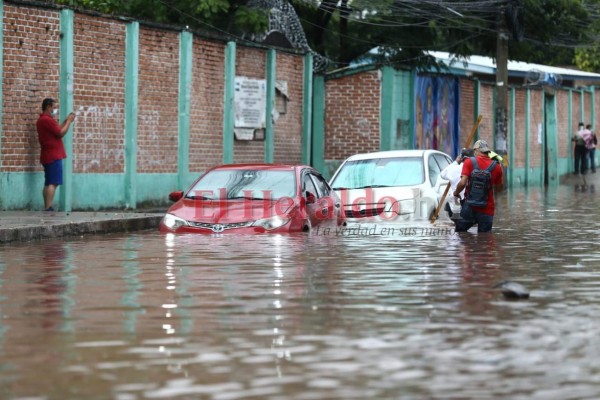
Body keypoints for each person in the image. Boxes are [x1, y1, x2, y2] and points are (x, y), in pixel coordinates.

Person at [452, 139, 503, 233]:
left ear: (476, 150)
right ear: (487, 151)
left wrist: (456, 193)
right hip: (487, 208)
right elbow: (499, 189)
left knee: (460, 234)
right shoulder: (497, 167)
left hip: (469, 207)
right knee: (485, 240)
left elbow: (463, 183)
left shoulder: (468, 162)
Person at [36, 98, 76, 211]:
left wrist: (66, 120)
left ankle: (46, 206)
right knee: (53, 183)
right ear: (48, 107)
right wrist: (69, 122)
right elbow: (60, 133)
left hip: (47, 155)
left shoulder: (42, 120)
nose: (55, 110)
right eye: (53, 107)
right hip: (53, 155)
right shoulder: (47, 120)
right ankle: (48, 208)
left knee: (48, 182)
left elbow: (57, 129)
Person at [440, 148, 474, 220]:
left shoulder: (453, 168)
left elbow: (442, 175)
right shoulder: (474, 168)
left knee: (456, 227)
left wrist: (455, 162)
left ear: (461, 158)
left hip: (454, 205)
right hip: (469, 204)